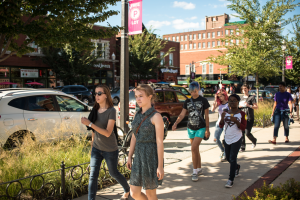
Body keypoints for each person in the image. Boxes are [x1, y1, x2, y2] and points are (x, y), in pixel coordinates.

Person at [81, 85, 130, 200]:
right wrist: (92, 145)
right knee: (93, 176)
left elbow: (108, 132)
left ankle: (127, 189)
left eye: (99, 93)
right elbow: (94, 130)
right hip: (97, 149)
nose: (96, 96)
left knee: (113, 173)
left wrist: (89, 124)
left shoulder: (111, 111)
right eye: (95, 93)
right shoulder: (95, 110)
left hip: (110, 149)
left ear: (106, 95)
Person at [127, 84, 164, 200]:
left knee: (150, 194)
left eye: (141, 96)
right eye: (136, 96)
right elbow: (134, 136)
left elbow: (159, 143)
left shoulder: (156, 116)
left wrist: (160, 166)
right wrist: (129, 156)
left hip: (151, 158)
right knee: (134, 193)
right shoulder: (137, 115)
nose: (138, 99)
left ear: (150, 97)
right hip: (138, 157)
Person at [172, 81, 210, 182]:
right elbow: (182, 114)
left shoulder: (204, 100)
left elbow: (207, 115)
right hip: (190, 128)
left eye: (195, 91)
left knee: (193, 148)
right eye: (192, 91)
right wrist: (176, 123)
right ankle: (199, 168)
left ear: (198, 89)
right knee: (195, 150)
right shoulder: (187, 101)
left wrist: (207, 129)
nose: (194, 93)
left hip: (200, 127)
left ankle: (194, 171)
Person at [219, 94, 247, 188]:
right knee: (228, 158)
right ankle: (237, 167)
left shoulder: (242, 114)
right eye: (230, 100)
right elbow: (221, 125)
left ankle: (230, 179)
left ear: (238, 102)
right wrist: (222, 118)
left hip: (237, 138)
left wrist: (236, 121)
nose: (232, 102)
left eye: (234, 100)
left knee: (232, 157)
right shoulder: (225, 112)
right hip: (227, 138)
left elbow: (243, 127)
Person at [211, 89, 229, 161]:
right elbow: (212, 110)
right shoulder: (219, 103)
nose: (220, 98)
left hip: (227, 123)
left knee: (226, 140)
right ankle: (222, 150)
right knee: (216, 138)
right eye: (219, 97)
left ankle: (225, 154)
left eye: (221, 96)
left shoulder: (229, 103)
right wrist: (215, 100)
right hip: (219, 123)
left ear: (225, 95)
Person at [239, 84, 258, 152]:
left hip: (249, 117)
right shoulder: (240, 98)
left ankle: (254, 140)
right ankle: (242, 147)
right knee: (242, 133)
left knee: (247, 133)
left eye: (245, 88)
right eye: (243, 89)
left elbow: (256, 107)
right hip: (242, 118)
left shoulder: (251, 97)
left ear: (248, 89)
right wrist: (239, 107)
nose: (244, 90)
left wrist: (249, 105)